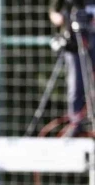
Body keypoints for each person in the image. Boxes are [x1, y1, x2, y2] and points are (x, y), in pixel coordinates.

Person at [49, 0, 95, 134]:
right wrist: (60, 18)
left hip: (92, 42)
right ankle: (76, 125)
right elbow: (54, 12)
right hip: (73, 45)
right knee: (76, 86)